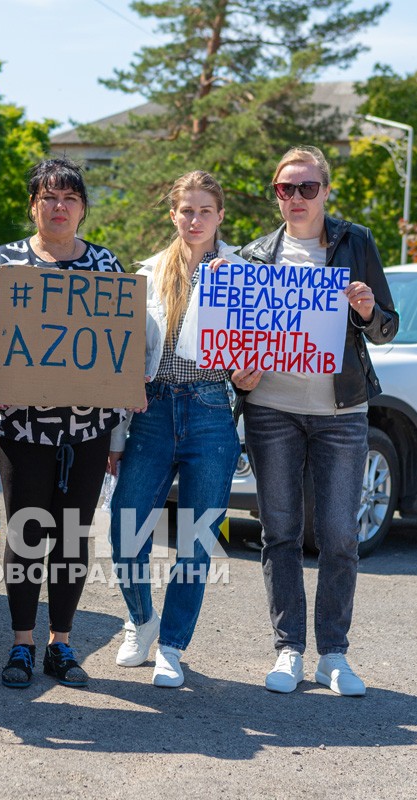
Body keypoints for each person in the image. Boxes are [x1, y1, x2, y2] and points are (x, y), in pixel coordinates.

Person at [231, 145, 397, 697]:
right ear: (276, 195)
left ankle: (334, 655)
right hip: (271, 410)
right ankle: (288, 650)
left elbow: (388, 328)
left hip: (341, 411)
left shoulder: (357, 243)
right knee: (279, 533)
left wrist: (369, 309)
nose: (296, 197)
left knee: (338, 536)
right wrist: (241, 376)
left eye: (307, 187)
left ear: (326, 191)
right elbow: (238, 342)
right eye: (285, 188)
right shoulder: (255, 256)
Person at [0, 157, 135, 689]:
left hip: (88, 430)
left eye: (68, 198)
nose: (58, 207)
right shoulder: (3, 265)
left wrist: (122, 406)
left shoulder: (108, 267)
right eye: (48, 198)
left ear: (83, 208)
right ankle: (21, 644)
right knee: (26, 533)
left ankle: (61, 644)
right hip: (22, 428)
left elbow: (122, 347)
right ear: (33, 206)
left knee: (72, 535)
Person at [107, 171, 242, 688]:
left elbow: (254, 352)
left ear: (220, 215)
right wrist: (117, 437)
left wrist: (249, 372)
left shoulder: (243, 275)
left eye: (205, 210)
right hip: (152, 411)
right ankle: (142, 620)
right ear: (173, 214)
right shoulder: (147, 273)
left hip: (211, 411)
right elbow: (123, 359)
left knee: (196, 540)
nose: (195, 219)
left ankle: (173, 646)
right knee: (125, 527)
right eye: (186, 210)